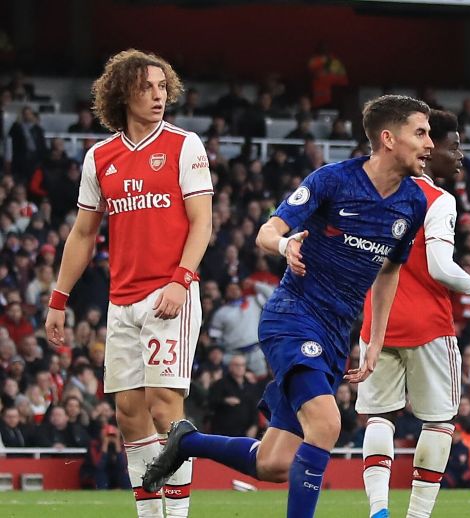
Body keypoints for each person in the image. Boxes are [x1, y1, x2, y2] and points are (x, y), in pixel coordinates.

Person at [140, 94, 432, 518]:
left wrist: (375, 340)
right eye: (420, 133)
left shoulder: (413, 203)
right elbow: (267, 231)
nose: (429, 144)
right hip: (293, 317)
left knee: (274, 463)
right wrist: (284, 244)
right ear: (389, 138)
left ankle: (186, 442)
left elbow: (389, 272)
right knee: (327, 424)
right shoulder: (333, 180)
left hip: (336, 335)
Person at [45, 49, 213, 518]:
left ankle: (177, 515)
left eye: (162, 87)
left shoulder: (184, 145)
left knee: (164, 405)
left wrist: (181, 280)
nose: (158, 96)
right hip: (122, 301)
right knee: (129, 413)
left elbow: (202, 222)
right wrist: (58, 298)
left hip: (170, 294)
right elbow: (83, 234)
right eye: (146, 88)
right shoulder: (100, 157)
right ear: (123, 94)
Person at [358, 109, 470, 518]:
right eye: (453, 147)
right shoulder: (437, 199)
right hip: (428, 325)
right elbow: (440, 267)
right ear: (428, 148)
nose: (459, 156)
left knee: (379, 417)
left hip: (377, 323)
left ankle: (378, 510)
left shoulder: (373, 190)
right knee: (439, 422)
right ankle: (417, 516)